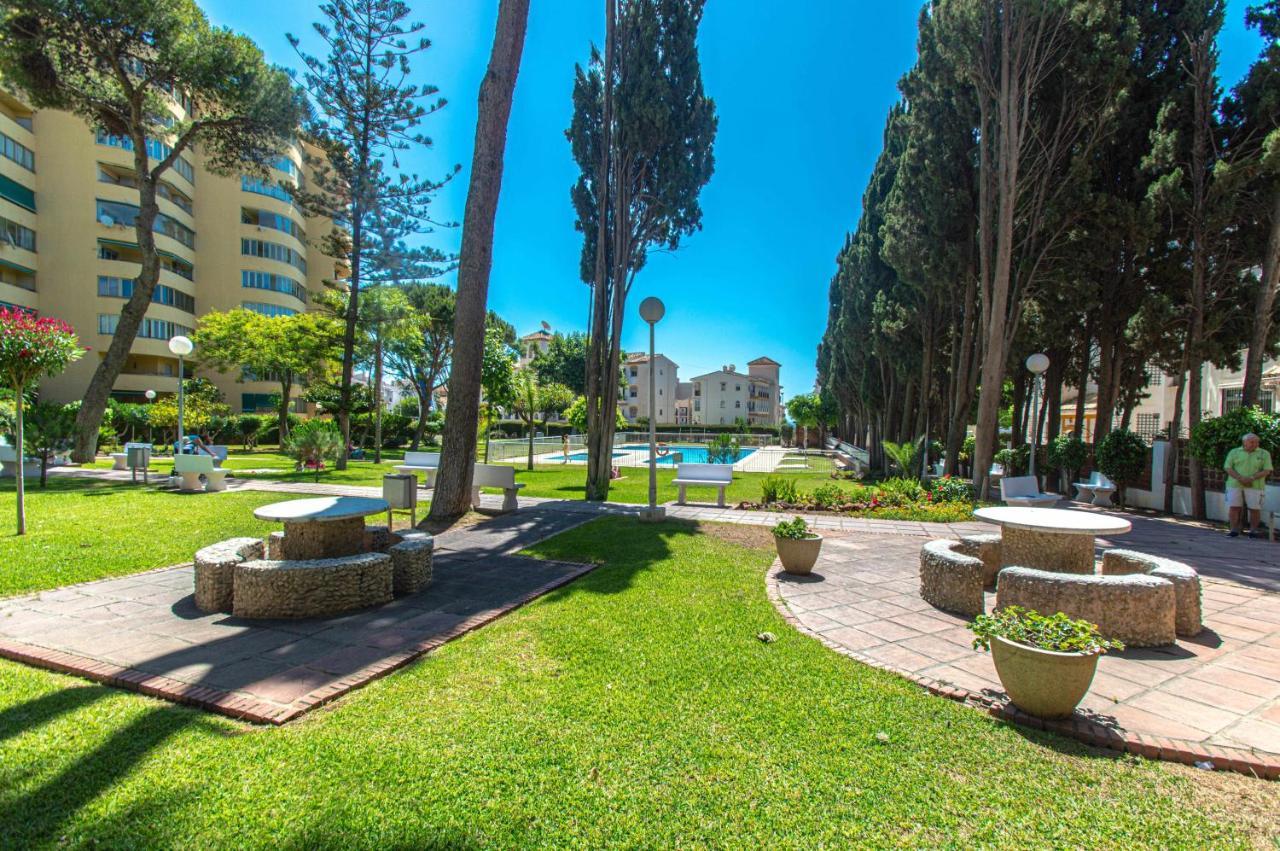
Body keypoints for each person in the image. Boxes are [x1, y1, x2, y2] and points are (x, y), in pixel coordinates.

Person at [1224, 432, 1273, 539]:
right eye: (1252, 442)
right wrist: (1240, 478)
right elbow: (1228, 467)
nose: (1255, 444)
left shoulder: (1264, 453)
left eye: (1256, 442)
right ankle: (1233, 530)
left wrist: (1251, 478)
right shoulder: (1234, 452)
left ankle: (1253, 531)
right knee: (1234, 507)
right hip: (1235, 484)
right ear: (1244, 442)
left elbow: (1267, 470)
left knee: (1254, 508)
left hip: (1255, 485)